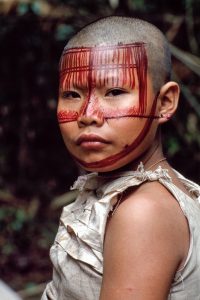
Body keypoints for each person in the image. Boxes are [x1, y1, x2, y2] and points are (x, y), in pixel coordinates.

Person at [41, 16, 200, 299]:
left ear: (165, 103)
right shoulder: (126, 193)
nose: (88, 115)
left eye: (114, 91)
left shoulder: (143, 212)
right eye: (72, 94)